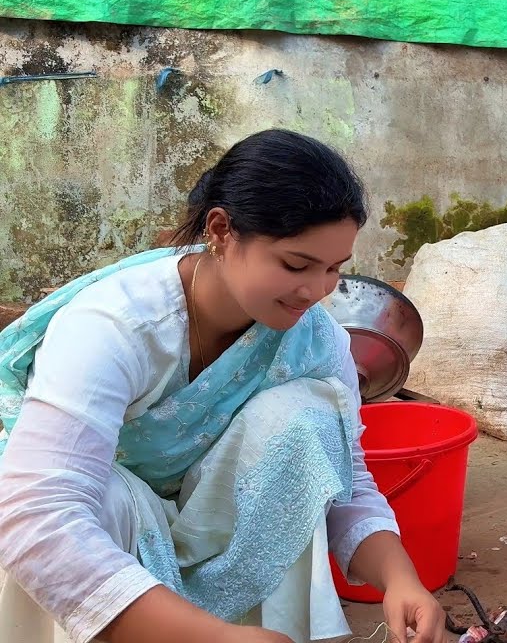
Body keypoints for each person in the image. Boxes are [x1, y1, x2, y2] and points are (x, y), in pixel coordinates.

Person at [0, 130, 445, 643]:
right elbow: (36, 512)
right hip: (116, 524)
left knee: (308, 419)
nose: (316, 291)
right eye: (296, 265)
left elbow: (344, 475)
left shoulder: (315, 341)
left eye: (333, 270)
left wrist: (399, 578)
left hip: (213, 528)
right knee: (79, 502)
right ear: (221, 229)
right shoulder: (114, 325)